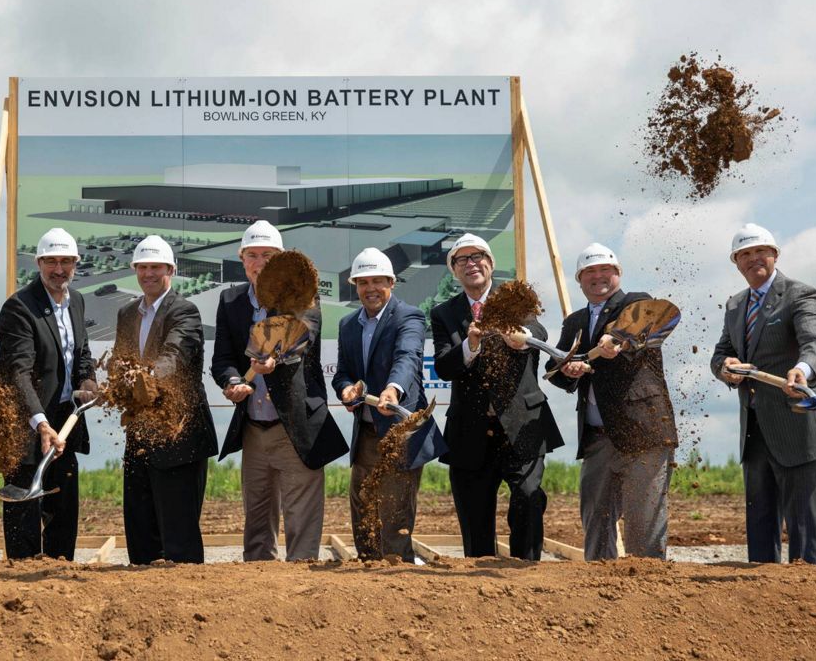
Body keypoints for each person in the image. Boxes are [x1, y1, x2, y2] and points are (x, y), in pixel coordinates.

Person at [211, 220, 347, 562]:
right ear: (242, 259)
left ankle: (301, 594)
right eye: (253, 255)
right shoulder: (230, 301)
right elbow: (223, 358)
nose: (260, 263)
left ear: (281, 259)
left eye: (268, 255)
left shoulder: (302, 296)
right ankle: (260, 596)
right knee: (257, 522)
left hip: (296, 427)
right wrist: (231, 381)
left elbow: (302, 335)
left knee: (302, 524)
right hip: (254, 428)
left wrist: (275, 358)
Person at [711, 223, 816, 564]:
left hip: (796, 424)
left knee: (804, 524)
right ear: (736, 262)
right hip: (753, 427)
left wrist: (804, 371)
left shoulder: (799, 293)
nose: (754, 259)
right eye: (745, 254)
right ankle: (761, 593)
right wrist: (725, 368)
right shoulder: (735, 305)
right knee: (760, 518)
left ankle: (810, 594)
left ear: (775, 254)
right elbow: (720, 353)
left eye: (760, 251)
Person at [430, 234, 562, 560]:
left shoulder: (513, 299)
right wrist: (470, 346)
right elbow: (444, 366)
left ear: (490, 263)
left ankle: (526, 574)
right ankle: (481, 592)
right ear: (455, 271)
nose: (471, 263)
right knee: (475, 518)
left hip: (523, 424)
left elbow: (541, 333)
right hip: (470, 430)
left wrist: (524, 337)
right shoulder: (445, 314)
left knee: (529, 499)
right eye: (462, 260)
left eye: (477, 257)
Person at [546, 243, 677, 561]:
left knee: (643, 525)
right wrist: (570, 369)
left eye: (605, 270)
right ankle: (599, 592)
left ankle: (648, 593)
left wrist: (619, 338)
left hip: (642, 434)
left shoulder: (637, 304)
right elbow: (554, 373)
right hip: (597, 439)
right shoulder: (575, 322)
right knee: (596, 520)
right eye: (590, 272)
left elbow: (651, 322)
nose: (598, 277)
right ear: (580, 280)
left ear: (618, 274)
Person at [332, 247, 446, 562]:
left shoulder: (408, 316)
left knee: (395, 511)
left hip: (401, 433)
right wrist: (346, 389)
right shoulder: (347, 325)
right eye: (363, 282)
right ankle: (369, 575)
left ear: (391, 282)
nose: (370, 289)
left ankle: (399, 576)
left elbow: (407, 357)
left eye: (377, 281)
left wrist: (393, 390)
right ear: (355, 285)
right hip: (368, 431)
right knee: (363, 504)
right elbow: (342, 373)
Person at [111, 236, 219, 564]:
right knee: (141, 532)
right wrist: (118, 378)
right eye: (142, 267)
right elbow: (120, 358)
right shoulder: (127, 313)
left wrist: (145, 378)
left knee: (179, 538)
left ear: (171, 269)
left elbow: (175, 356)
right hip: (140, 435)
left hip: (178, 435)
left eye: (155, 267)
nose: (148, 273)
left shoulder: (184, 311)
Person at [0, 228, 97, 560]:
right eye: (51, 261)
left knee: (63, 510)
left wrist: (89, 382)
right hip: (29, 426)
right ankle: (21, 581)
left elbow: (81, 354)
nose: (59, 269)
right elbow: (17, 372)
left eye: (66, 261)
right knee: (24, 513)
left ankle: (60, 576)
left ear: (76, 263)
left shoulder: (77, 301)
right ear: (38, 263)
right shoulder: (19, 308)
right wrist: (40, 424)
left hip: (67, 422)